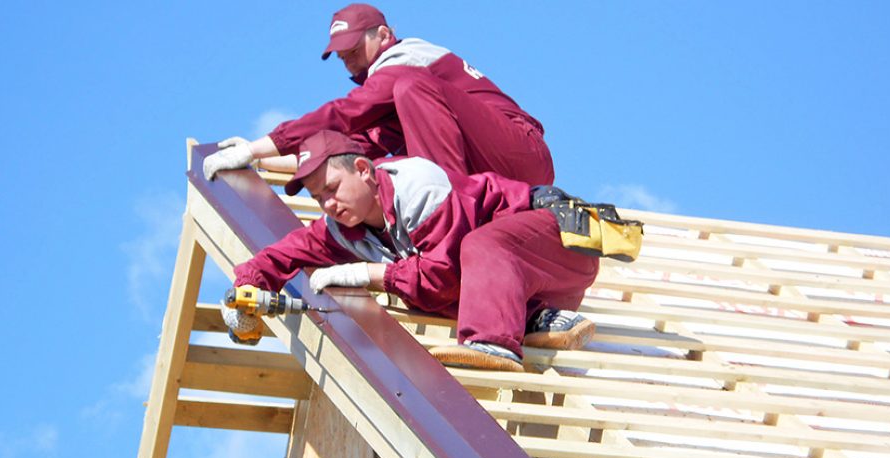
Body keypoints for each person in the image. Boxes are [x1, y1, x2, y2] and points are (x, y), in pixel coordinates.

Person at [225, 130, 597, 372]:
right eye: (318, 196)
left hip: (560, 242)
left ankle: (493, 344)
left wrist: (368, 275)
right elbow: (280, 256)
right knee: (425, 287)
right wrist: (246, 292)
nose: (327, 203)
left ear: (363, 169)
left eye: (333, 188)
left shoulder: (418, 187)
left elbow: (442, 279)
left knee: (473, 250)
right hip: (527, 284)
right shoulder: (343, 227)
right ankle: (538, 319)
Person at [203, 3, 554, 188]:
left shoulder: (404, 62)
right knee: (373, 170)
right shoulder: (405, 102)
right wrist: (260, 162)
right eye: (343, 56)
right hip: (497, 172)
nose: (349, 62)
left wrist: (258, 145)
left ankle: (448, 206)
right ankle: (454, 208)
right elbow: (352, 149)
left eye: (354, 50)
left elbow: (343, 114)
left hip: (521, 151)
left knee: (406, 89)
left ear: (384, 34)